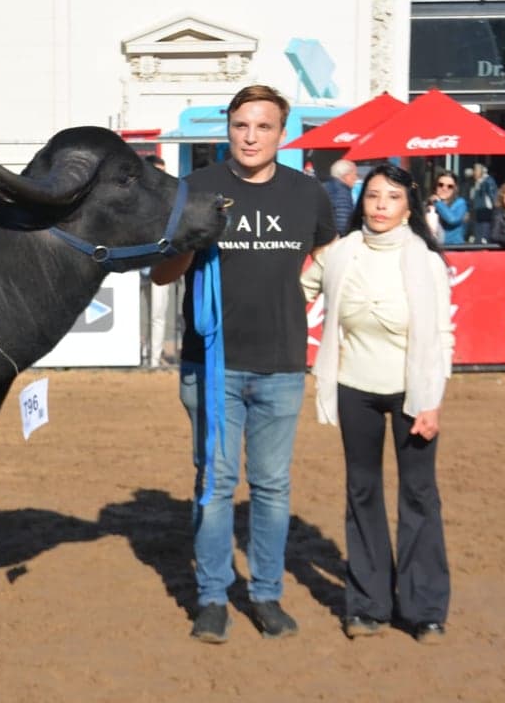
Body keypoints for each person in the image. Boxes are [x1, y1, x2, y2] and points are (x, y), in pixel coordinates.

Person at [150, 84, 336, 643]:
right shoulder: (196, 189)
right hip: (211, 366)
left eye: (263, 127)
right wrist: (190, 238)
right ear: (227, 129)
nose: (251, 137)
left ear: (283, 133)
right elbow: (162, 274)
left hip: (281, 366)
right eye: (241, 126)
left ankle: (266, 595)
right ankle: (211, 598)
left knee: (272, 485)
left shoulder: (309, 195)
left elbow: (328, 265)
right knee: (216, 481)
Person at [301, 163, 453, 644]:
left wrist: (431, 401)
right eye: (372, 197)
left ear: (409, 205)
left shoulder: (426, 260)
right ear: (361, 202)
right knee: (362, 494)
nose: (381, 205)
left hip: (414, 395)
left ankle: (425, 609)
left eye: (391, 197)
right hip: (354, 389)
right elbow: (291, 296)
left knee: (418, 496)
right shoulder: (339, 254)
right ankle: (369, 605)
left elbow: (443, 336)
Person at [144, 154, 176, 367]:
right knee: (138, 315)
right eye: (158, 173)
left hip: (160, 264)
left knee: (157, 314)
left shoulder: (170, 200)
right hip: (133, 266)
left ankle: (153, 360)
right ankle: (139, 354)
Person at [427, 170, 467, 245]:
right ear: (435, 186)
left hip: (453, 249)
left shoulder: (460, 203)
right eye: (441, 185)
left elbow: (452, 220)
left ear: (455, 189)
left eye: (450, 186)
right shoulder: (428, 204)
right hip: (433, 249)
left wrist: (438, 203)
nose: (444, 188)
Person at [323, 159, 358, 236]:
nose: (356, 178)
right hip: (334, 240)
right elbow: (343, 223)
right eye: (355, 174)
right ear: (346, 176)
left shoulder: (325, 186)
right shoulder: (341, 192)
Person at [468, 162, 498, 243]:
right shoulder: (475, 182)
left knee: (484, 237)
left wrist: (495, 210)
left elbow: (493, 197)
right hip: (476, 213)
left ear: (482, 170)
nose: (474, 172)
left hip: (485, 213)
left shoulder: (488, 181)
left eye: (476, 170)